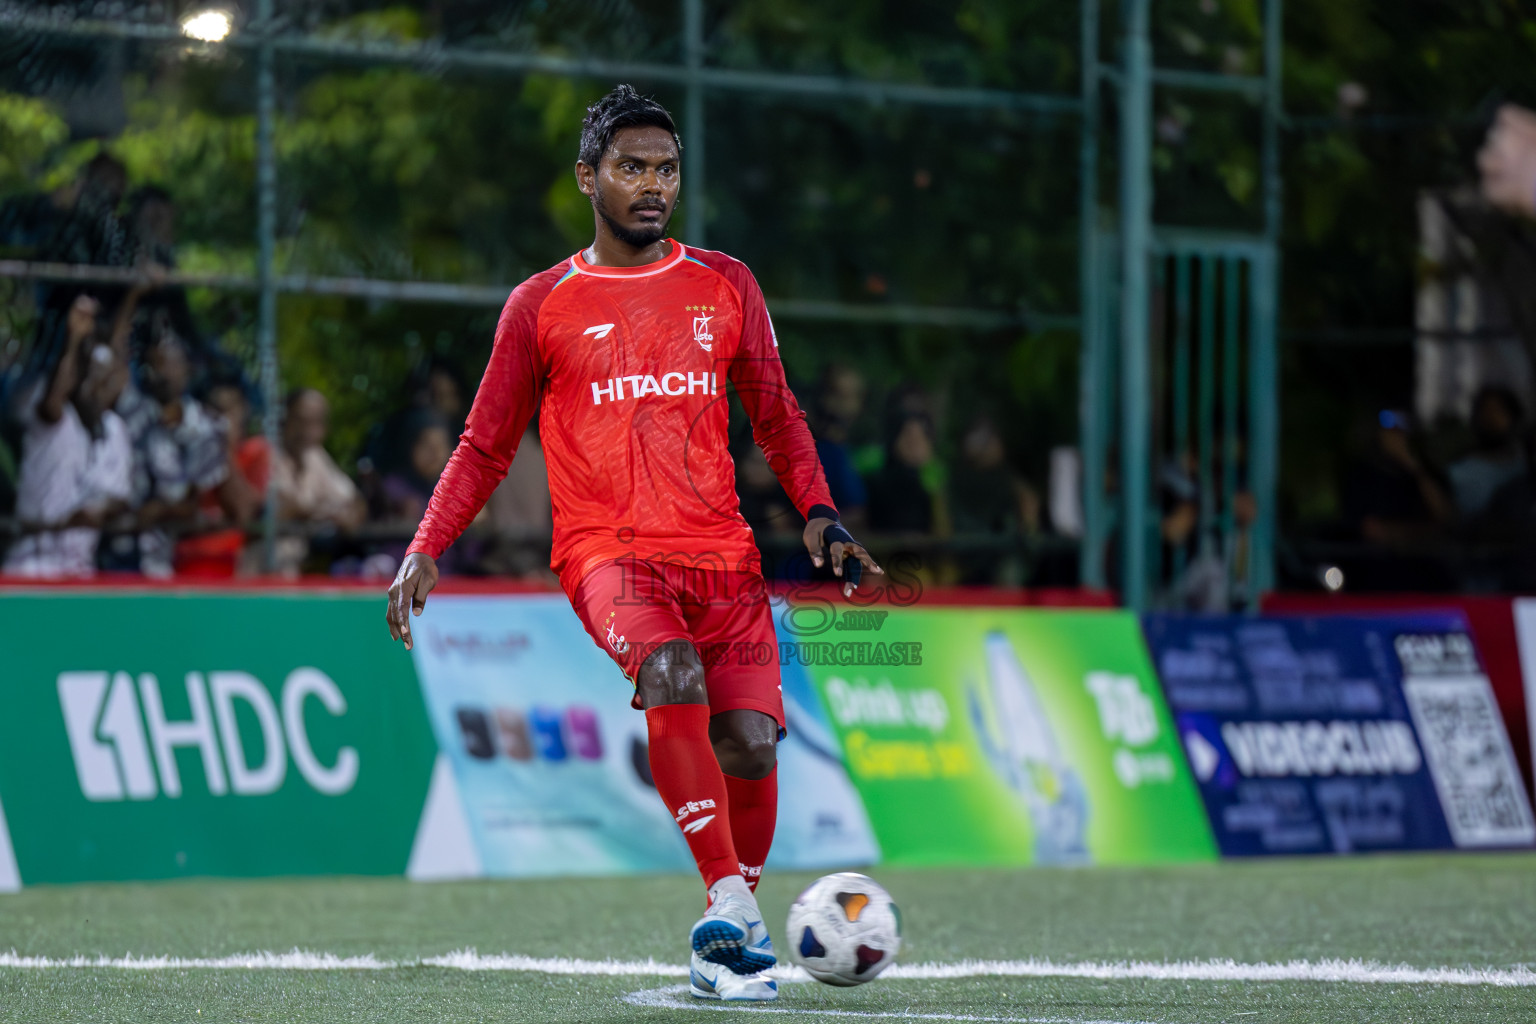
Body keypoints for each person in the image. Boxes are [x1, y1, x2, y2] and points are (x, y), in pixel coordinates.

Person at [385, 85, 879, 1003]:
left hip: (722, 555)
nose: (653, 185)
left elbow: (776, 413)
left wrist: (819, 509)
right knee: (672, 676)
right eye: (631, 168)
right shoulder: (541, 306)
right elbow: (485, 443)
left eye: (666, 169)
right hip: (607, 553)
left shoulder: (727, 284)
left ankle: (726, 930)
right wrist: (427, 544)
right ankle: (729, 902)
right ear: (588, 178)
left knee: (752, 745)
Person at [3, 294, 132, 577]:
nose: (96, 387)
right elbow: (53, 400)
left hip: (80, 571)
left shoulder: (114, 430)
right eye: (90, 375)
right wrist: (73, 341)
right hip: (32, 567)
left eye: (105, 379)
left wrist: (99, 510)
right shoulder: (55, 419)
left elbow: (119, 498)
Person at [271, 388, 366, 575]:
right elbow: (279, 508)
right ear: (284, 419)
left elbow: (354, 499)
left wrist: (351, 516)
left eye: (316, 422)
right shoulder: (265, 452)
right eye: (301, 421)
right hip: (266, 571)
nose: (308, 431)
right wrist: (325, 513)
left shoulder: (313, 455)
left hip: (304, 571)